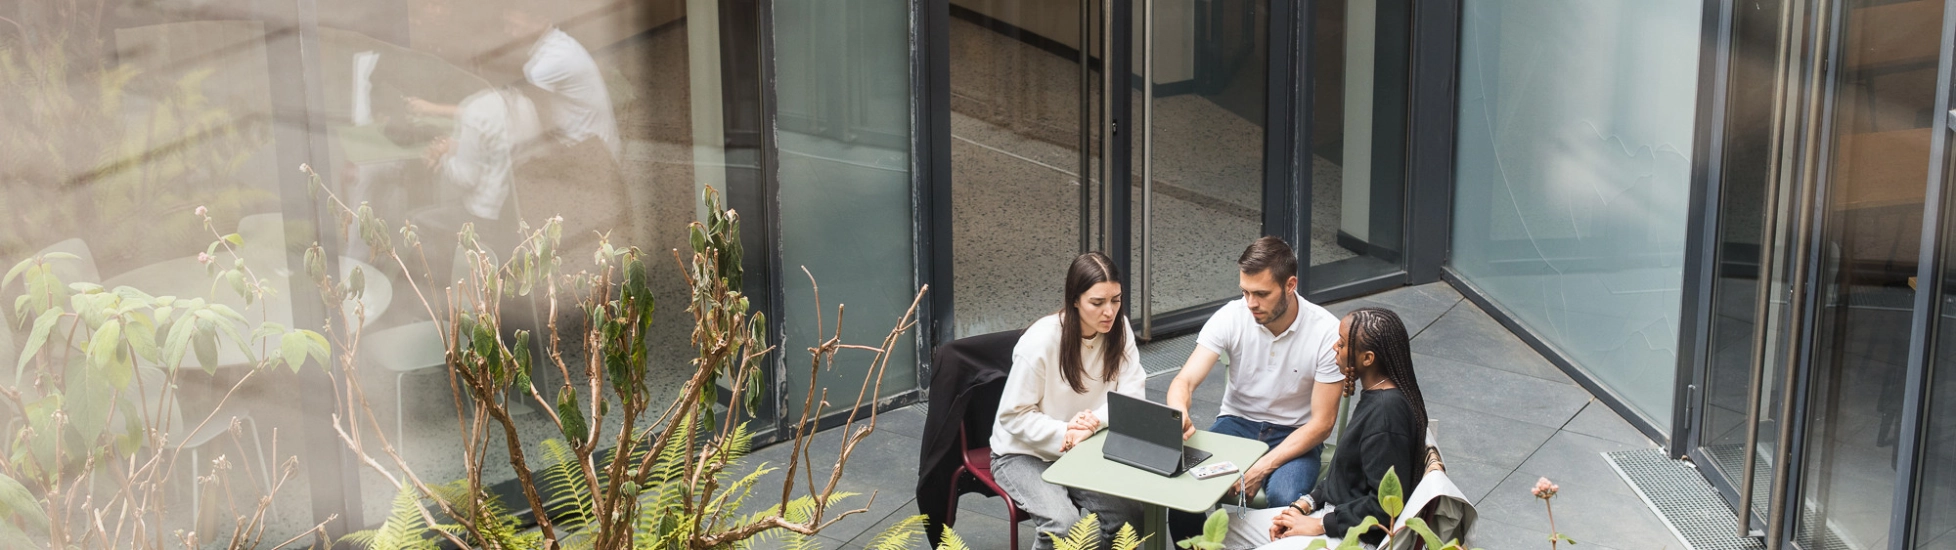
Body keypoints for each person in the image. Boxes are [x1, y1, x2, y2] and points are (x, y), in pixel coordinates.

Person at [1165, 236, 1344, 536]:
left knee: (1285, 501)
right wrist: (1178, 409)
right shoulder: (1232, 317)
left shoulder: (1326, 332)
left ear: (1290, 285)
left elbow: (1323, 424)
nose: (1251, 304)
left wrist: (1261, 467)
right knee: (1183, 490)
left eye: (1261, 294)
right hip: (1236, 424)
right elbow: (1184, 380)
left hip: (1295, 434)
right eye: (1245, 292)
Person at [1222, 307, 1430, 549]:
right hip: (1331, 516)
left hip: (1352, 537)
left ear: (1367, 358)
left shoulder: (1386, 415)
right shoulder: (1376, 395)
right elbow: (1343, 475)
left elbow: (1385, 507)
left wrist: (1320, 525)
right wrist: (1304, 504)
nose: (1335, 347)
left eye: (1342, 344)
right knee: (1223, 530)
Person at [990, 251, 1147, 550]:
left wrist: (1093, 424)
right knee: (1064, 526)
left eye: (1116, 300)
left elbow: (1131, 395)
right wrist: (1066, 433)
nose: (1109, 312)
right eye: (1097, 302)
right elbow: (1012, 416)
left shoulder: (1119, 329)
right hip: (1023, 453)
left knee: (1130, 515)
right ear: (1074, 300)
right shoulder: (1040, 342)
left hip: (1085, 447)